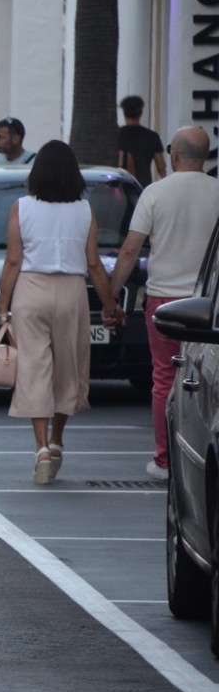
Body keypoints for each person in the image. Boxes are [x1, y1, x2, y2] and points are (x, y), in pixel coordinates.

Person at [0, 140, 121, 485]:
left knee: (34, 367)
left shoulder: (20, 208)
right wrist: (110, 304)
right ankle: (58, 439)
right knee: (69, 366)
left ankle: (40, 448)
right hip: (70, 291)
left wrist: (3, 308)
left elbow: (13, 261)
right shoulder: (84, 210)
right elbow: (95, 264)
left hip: (30, 290)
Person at [107, 127, 219, 479]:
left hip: (165, 302)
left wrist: (111, 296)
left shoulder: (154, 194)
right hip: (210, 302)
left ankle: (164, 458)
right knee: (208, 379)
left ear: (173, 154)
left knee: (165, 377)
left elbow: (129, 250)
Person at [117, 96, 166, 187]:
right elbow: (161, 166)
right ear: (141, 113)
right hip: (143, 186)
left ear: (124, 113)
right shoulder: (152, 136)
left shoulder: (116, 135)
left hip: (119, 186)